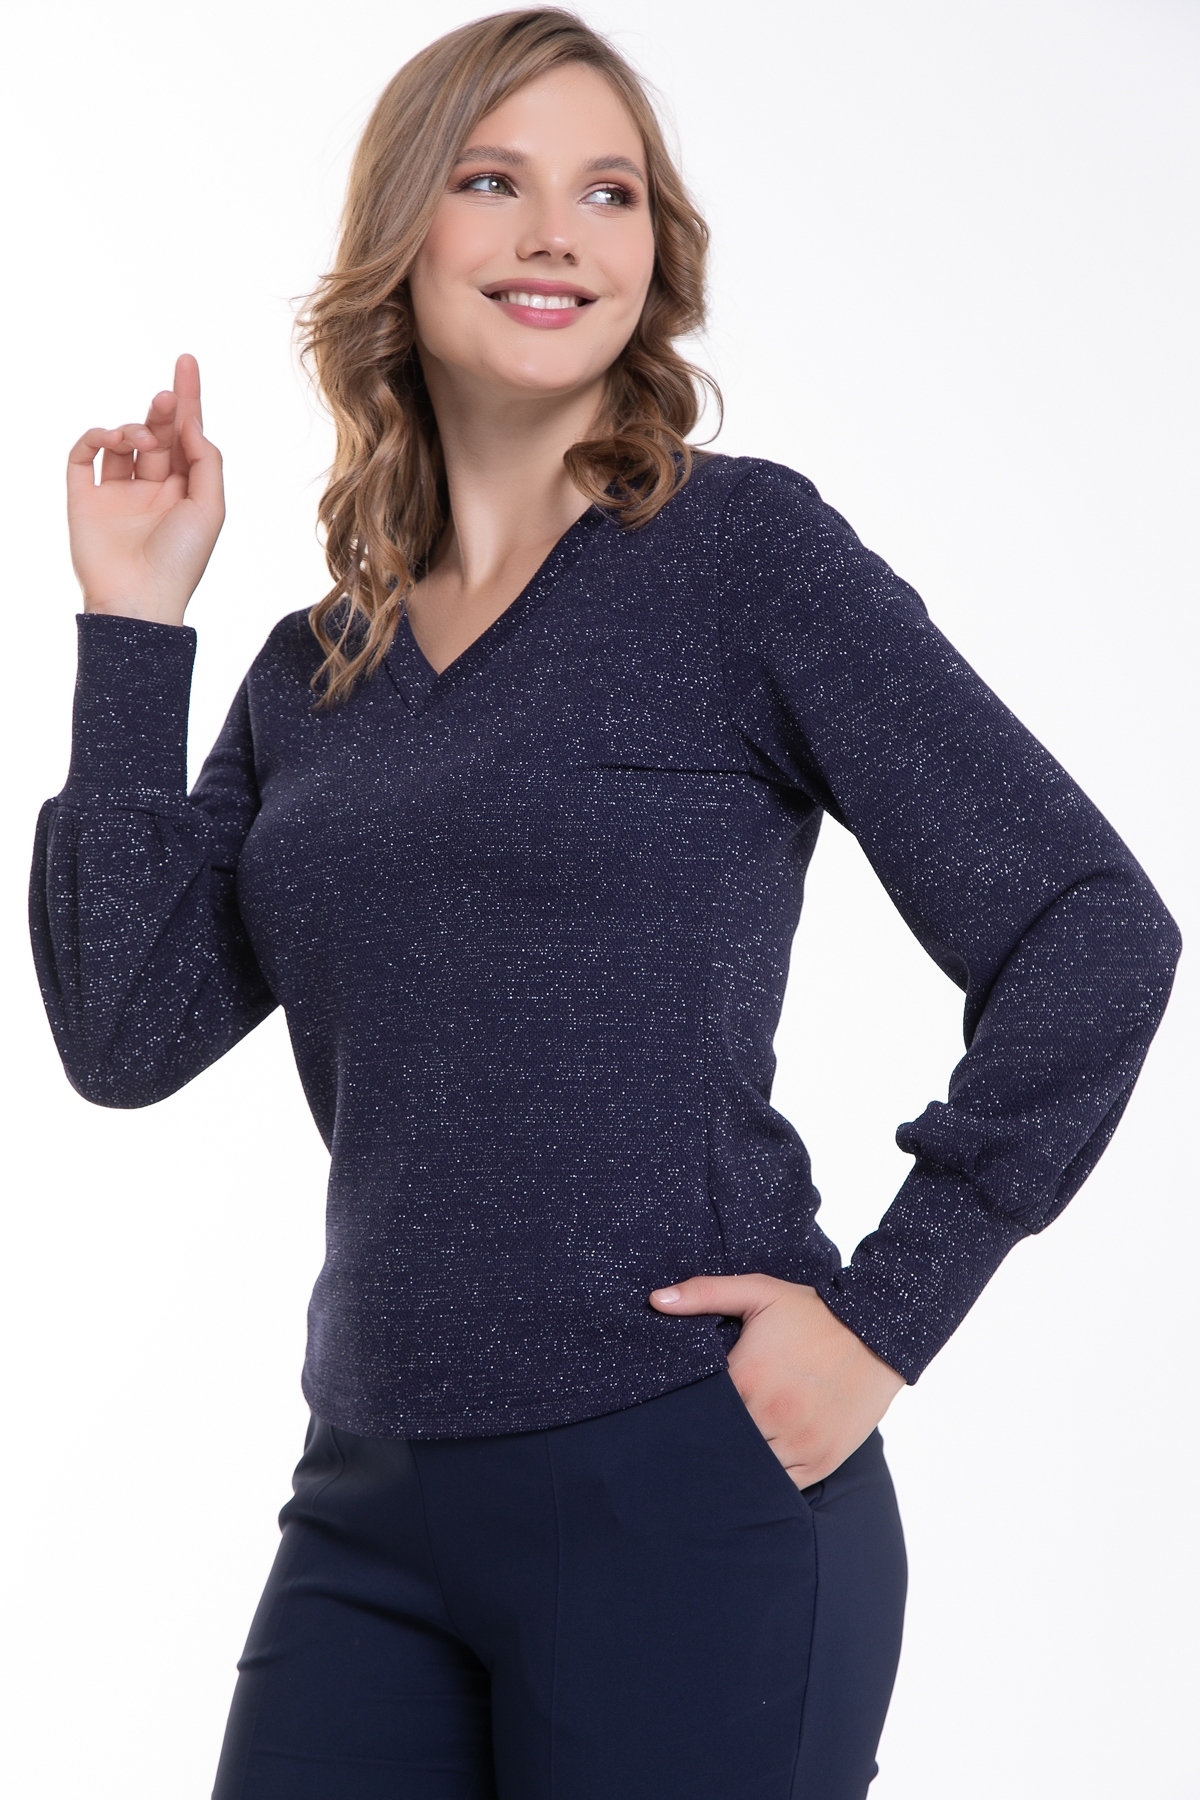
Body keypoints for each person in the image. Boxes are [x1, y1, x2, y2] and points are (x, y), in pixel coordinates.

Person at [29, 9, 1180, 1798]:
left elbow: (1093, 925)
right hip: (366, 1505)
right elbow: (125, 1030)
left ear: (656, 250)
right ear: (402, 236)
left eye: (610, 192)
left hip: (685, 1487)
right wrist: (132, 630)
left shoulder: (743, 558)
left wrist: (889, 1317)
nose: (559, 234)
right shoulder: (314, 669)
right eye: (495, 183)